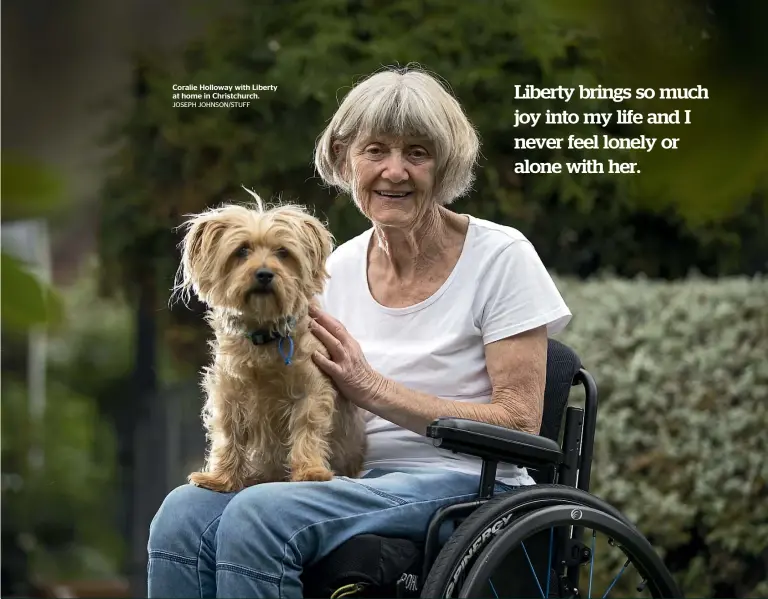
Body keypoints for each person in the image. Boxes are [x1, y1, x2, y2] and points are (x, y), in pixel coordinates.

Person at [147, 66, 572, 598]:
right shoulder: (336, 267)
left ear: (445, 167)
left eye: (417, 152)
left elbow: (520, 421)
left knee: (260, 515)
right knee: (183, 513)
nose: (394, 171)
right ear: (346, 161)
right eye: (375, 150)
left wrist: (373, 389)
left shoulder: (501, 257)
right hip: (354, 476)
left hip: (469, 482)